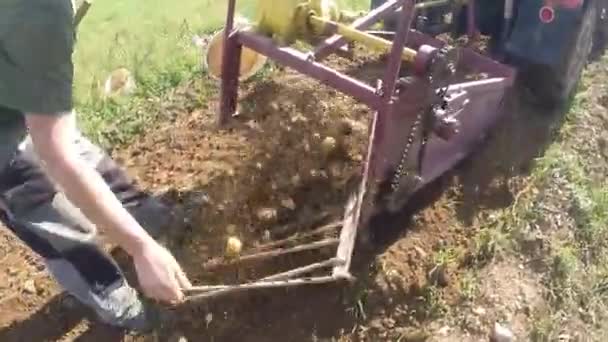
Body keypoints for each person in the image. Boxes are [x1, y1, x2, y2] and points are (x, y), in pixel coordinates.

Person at [0, 0, 192, 333]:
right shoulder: (40, 11)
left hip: (11, 87)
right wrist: (141, 249)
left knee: (73, 148)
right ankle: (115, 297)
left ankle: (148, 219)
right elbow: (55, 154)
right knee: (37, 197)